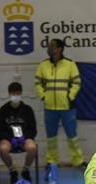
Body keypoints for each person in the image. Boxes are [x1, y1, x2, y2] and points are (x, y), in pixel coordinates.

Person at [35, 38, 84, 176]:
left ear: (59, 49)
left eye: (52, 46)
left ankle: (78, 161)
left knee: (72, 135)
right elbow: (37, 83)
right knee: (51, 137)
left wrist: (70, 97)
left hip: (67, 107)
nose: (49, 48)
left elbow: (77, 83)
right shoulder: (43, 65)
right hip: (49, 107)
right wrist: (43, 96)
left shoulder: (70, 64)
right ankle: (52, 161)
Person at [0, 82, 37, 184]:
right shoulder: (3, 110)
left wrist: (24, 137)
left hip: (24, 138)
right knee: (3, 149)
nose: (15, 96)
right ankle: (12, 170)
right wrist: (10, 138)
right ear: (9, 94)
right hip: (9, 139)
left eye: (17, 93)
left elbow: (33, 129)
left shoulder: (28, 110)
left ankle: (25, 170)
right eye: (13, 94)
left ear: (21, 93)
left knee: (32, 147)